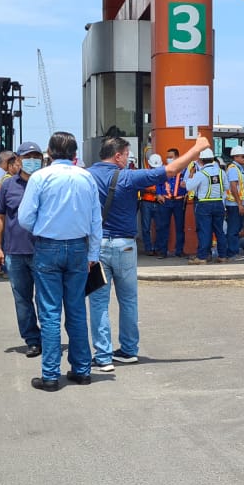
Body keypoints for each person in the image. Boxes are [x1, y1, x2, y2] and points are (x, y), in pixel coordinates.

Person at [88, 135, 209, 370]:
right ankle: (129, 350)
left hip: (97, 246)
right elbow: (172, 170)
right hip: (124, 246)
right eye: (126, 155)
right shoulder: (129, 177)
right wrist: (196, 149)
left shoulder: (86, 175)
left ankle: (102, 357)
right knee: (128, 300)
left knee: (99, 303)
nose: (128, 159)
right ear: (118, 156)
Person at [17, 131, 103, 391]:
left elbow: (24, 218)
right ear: (75, 154)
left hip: (48, 247)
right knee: (76, 310)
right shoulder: (86, 177)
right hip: (79, 248)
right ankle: (82, 370)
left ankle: (51, 375)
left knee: (50, 312)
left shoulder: (40, 177)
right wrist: (93, 255)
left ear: (49, 153)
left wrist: (43, 228)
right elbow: (95, 220)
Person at [0, 142, 43, 357]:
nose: (32, 160)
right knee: (22, 298)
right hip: (15, 252)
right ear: (18, 160)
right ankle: (32, 339)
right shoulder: (7, 186)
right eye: (28, 156)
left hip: (43, 251)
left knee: (45, 298)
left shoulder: (46, 183)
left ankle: (49, 338)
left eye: (36, 156)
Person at [186, 148, 227, 264]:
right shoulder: (221, 172)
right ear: (213, 159)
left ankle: (202, 257)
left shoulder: (200, 174)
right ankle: (222, 256)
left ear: (201, 161)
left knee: (205, 231)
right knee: (219, 231)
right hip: (219, 203)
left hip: (204, 204)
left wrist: (191, 175)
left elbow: (189, 187)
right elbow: (226, 187)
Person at [153, 147, 187, 258]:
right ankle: (162, 251)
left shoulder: (184, 169)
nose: (168, 159)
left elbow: (188, 182)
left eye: (170, 157)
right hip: (165, 201)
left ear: (177, 157)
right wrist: (158, 194)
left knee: (180, 227)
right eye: (167, 157)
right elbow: (158, 182)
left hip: (179, 201)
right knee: (163, 226)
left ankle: (179, 251)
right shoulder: (164, 169)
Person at [225, 147, 244, 262]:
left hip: (236, 203)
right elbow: (233, 187)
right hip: (234, 204)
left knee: (236, 228)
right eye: (242, 156)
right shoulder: (233, 169)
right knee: (233, 229)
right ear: (235, 157)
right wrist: (240, 204)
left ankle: (233, 251)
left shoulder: (237, 168)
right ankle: (232, 253)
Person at [138, 153, 162, 256]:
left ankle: (156, 247)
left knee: (159, 227)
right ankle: (149, 248)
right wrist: (152, 191)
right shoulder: (144, 174)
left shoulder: (162, 174)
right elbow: (140, 186)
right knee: (146, 227)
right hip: (146, 202)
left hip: (158, 202)